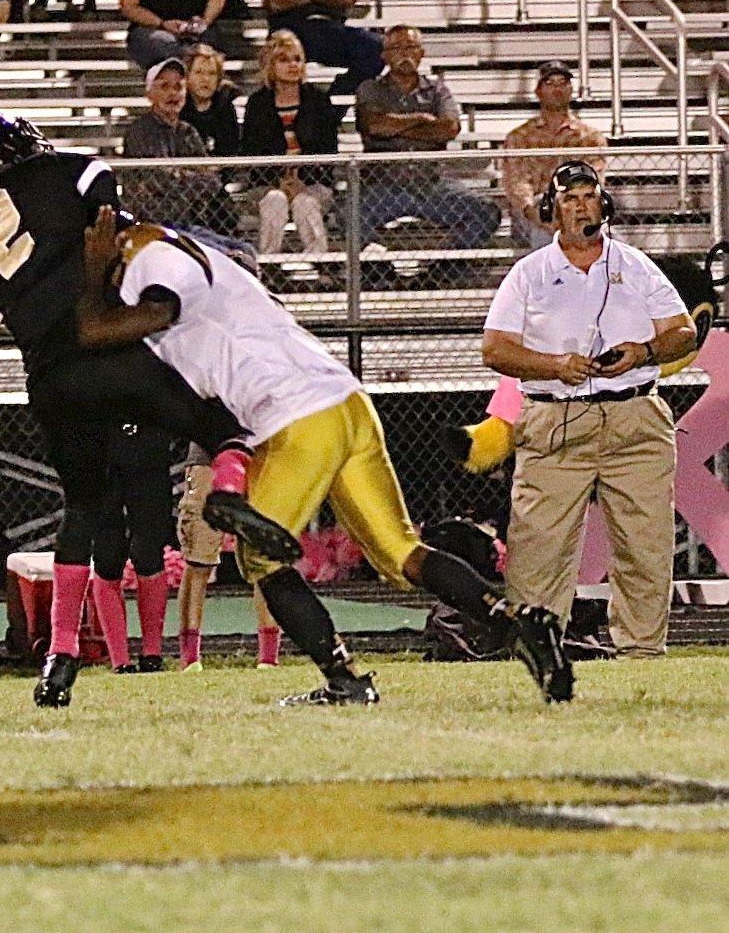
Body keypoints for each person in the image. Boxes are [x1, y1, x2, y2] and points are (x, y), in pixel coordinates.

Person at [78, 209, 574, 705]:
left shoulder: (154, 262)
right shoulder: (206, 264)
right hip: (348, 405)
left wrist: (95, 269)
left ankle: (344, 677)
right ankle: (518, 622)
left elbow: (102, 329)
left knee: (260, 561)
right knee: (401, 553)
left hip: (296, 417)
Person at [0, 107, 301, 709]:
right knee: (219, 423)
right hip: (115, 346)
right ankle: (230, 488)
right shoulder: (68, 172)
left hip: (51, 377)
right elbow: (117, 235)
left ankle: (60, 654)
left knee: (81, 508)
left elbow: (2, 308)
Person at [482, 161, 697, 662]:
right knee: (539, 547)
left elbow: (684, 332)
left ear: (605, 204)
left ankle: (642, 652)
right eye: (570, 198)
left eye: (589, 196)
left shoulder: (637, 265)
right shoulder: (529, 273)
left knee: (646, 542)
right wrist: (555, 365)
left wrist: (642, 352)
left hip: (635, 416)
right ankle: (538, 652)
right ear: (550, 211)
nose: (582, 206)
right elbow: (494, 349)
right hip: (556, 418)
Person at [357, 24, 500, 269]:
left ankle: (441, 269)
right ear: (385, 55)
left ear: (421, 53)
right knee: (348, 214)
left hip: (430, 183)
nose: (405, 54)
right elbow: (375, 126)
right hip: (383, 185)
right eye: (397, 48)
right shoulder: (370, 89)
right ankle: (381, 275)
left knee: (486, 212)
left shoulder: (438, 91)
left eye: (411, 47)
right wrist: (422, 120)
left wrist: (397, 126)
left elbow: (449, 128)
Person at [176, 443, 281, 672]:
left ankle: (268, 659)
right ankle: (190, 660)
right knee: (199, 559)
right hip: (210, 456)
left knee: (266, 558)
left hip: (263, 456)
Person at [240, 28, 336, 267]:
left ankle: (320, 263)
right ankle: (269, 265)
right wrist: (277, 182)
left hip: (314, 182)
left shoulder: (318, 101)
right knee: (275, 200)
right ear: (270, 66)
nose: (293, 65)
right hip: (266, 183)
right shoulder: (258, 103)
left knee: (306, 202)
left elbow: (327, 151)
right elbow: (251, 152)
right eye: (284, 60)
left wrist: (302, 182)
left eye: (297, 59)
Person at [91, 419, 175, 674]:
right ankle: (119, 658)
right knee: (107, 557)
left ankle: (152, 653)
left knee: (148, 553)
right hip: (101, 461)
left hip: (149, 458)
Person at [123, 56, 240, 237]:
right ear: (149, 94)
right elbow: (161, 179)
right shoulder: (140, 131)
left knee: (243, 252)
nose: (172, 94)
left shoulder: (187, 131)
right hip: (151, 225)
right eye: (165, 87)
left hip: (189, 224)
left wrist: (180, 177)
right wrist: (192, 179)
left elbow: (213, 182)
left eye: (178, 87)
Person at [502, 61, 608, 248]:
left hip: (577, 206)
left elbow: (593, 180)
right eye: (550, 83)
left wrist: (570, 209)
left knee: (605, 233)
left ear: (570, 89)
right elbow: (517, 181)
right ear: (538, 91)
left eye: (562, 83)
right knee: (545, 230)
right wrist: (535, 212)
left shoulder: (590, 137)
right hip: (533, 210)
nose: (557, 89)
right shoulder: (519, 137)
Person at [181, 43, 240, 158]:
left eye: (212, 73)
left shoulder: (225, 108)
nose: (206, 79)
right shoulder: (179, 109)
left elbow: (230, 150)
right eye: (199, 72)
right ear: (187, 76)